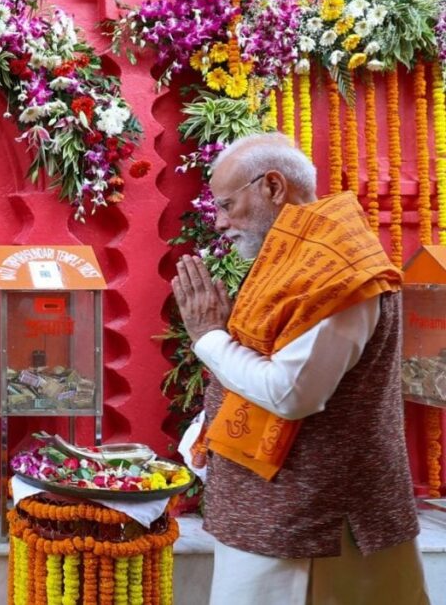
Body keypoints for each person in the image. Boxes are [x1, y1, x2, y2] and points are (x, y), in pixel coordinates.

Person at [171, 132, 429, 605]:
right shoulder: (298, 257)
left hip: (313, 525)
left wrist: (208, 336)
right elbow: (266, 360)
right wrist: (209, 423)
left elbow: (291, 394)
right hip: (274, 513)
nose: (222, 222)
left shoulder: (338, 269)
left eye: (228, 204)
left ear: (272, 187)